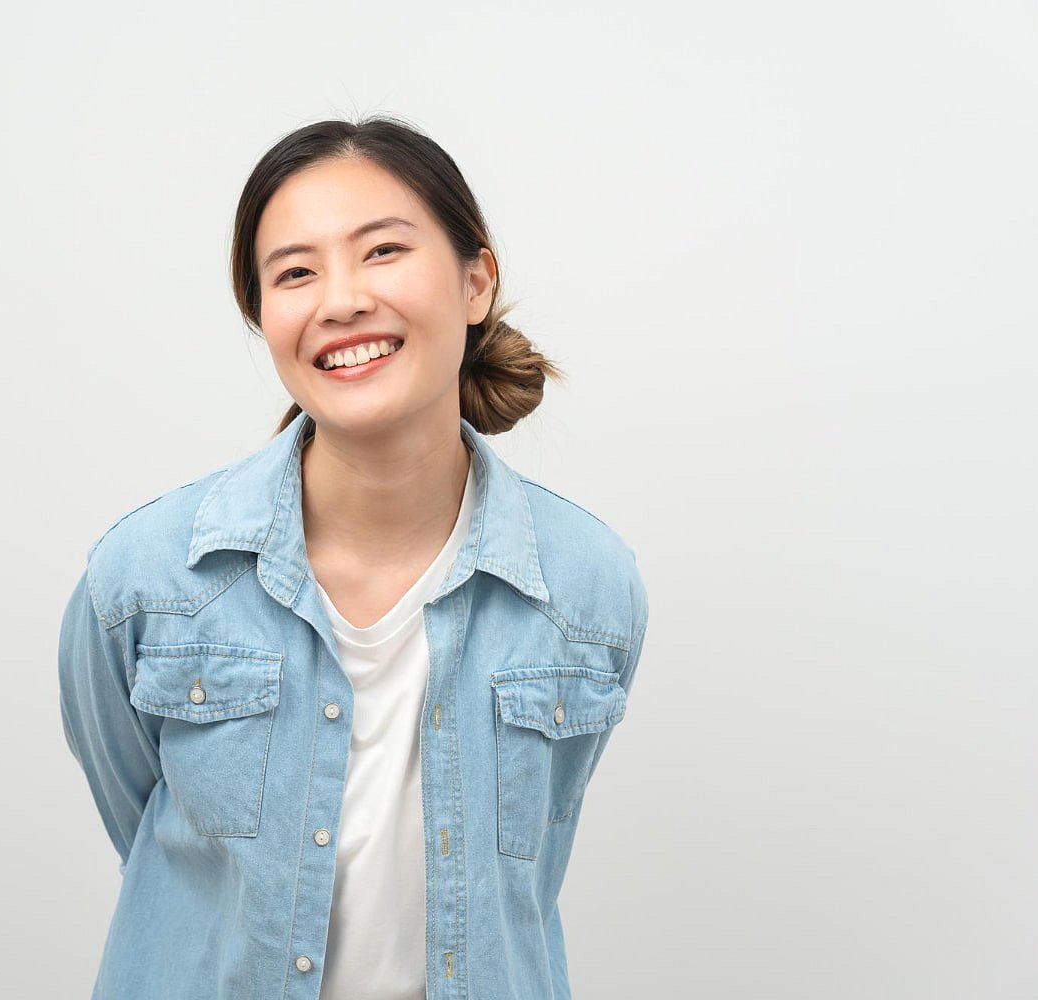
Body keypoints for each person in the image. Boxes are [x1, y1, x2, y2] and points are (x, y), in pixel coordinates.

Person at [57, 115, 650, 1000]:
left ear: (475, 280)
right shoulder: (148, 579)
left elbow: (521, 881)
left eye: (381, 252)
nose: (340, 301)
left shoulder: (585, 586)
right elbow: (151, 834)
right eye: (295, 272)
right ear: (265, 319)